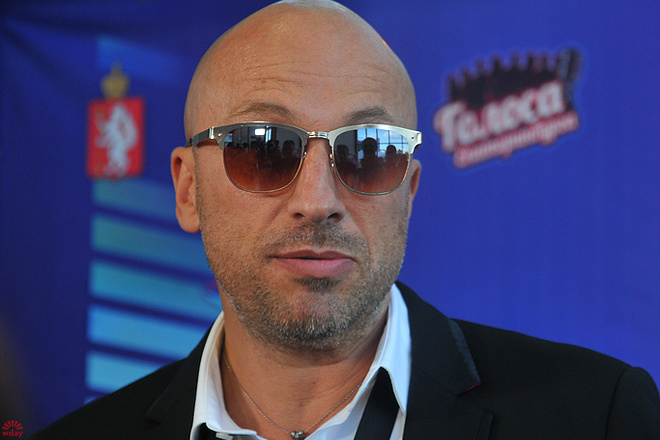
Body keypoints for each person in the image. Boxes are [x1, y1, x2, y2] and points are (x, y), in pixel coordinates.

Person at [31, 1, 660, 439]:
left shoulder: (600, 418)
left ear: (409, 190)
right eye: (262, 148)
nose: (317, 200)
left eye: (368, 151)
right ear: (189, 189)